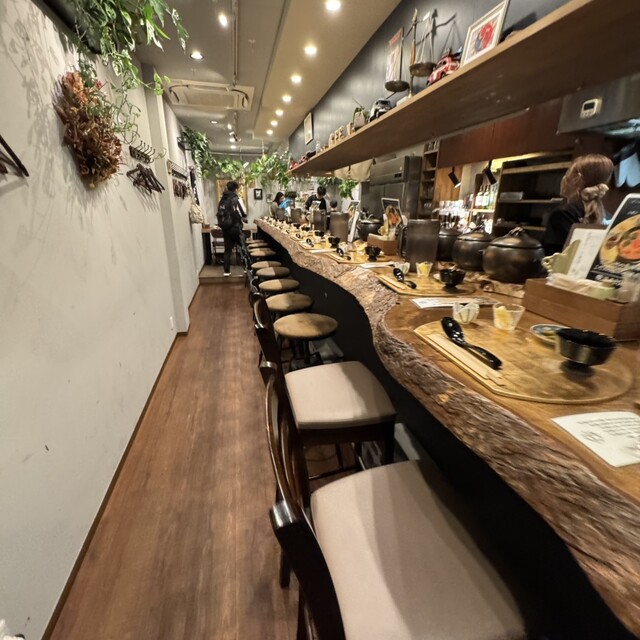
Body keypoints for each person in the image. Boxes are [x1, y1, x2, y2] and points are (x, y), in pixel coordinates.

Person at [541, 154, 614, 256]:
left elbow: (553, 259)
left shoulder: (563, 214)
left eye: (568, 173)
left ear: (576, 179)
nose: (564, 178)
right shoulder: (609, 217)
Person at [217, 180, 247, 276]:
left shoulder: (222, 200)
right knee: (242, 247)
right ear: (236, 189)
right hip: (236, 228)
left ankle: (226, 271)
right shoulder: (236, 199)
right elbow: (244, 212)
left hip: (226, 229)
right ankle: (246, 268)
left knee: (227, 250)